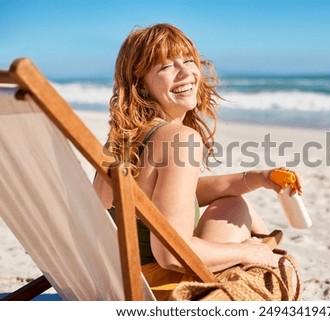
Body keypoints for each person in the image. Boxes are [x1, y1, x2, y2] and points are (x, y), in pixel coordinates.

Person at [93, 23, 302, 300]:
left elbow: (161, 201)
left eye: (189, 60)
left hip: (111, 281)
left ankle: (268, 260)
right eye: (166, 67)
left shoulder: (122, 139)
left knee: (233, 203)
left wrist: (254, 179)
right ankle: (273, 272)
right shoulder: (180, 139)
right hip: (155, 290)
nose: (186, 72)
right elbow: (171, 254)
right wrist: (248, 252)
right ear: (140, 84)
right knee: (238, 210)